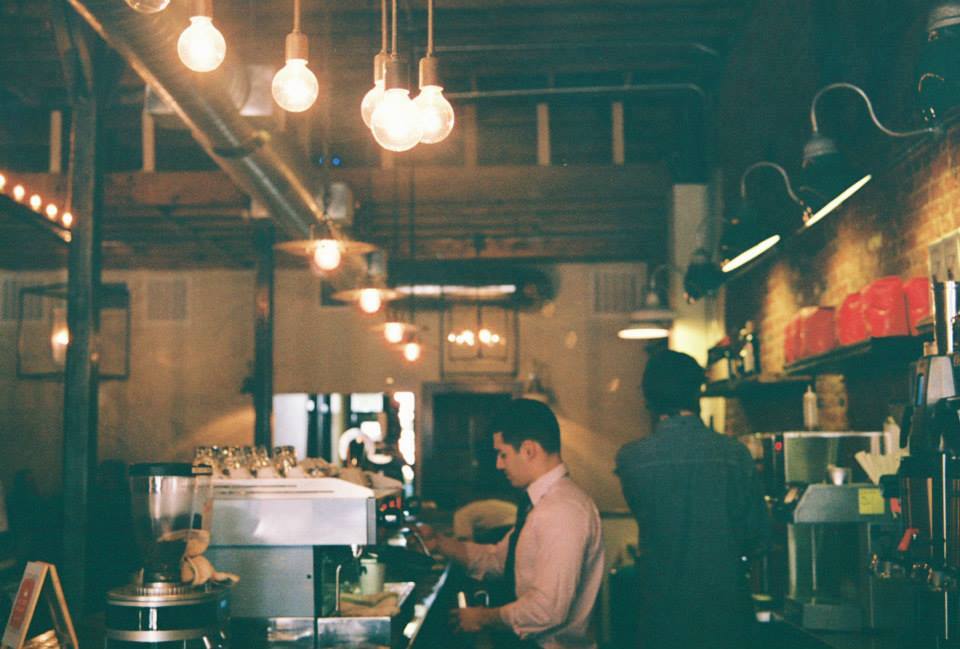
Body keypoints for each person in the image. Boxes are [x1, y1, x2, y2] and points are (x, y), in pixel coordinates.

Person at [419, 398, 604, 649]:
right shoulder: (542, 504)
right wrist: (440, 543)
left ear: (528, 450)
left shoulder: (562, 511)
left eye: (503, 454)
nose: (499, 464)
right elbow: (499, 559)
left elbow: (547, 609)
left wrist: (484, 618)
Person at [615, 350, 768, 649]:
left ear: (648, 398)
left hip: (661, 617)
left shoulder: (631, 459)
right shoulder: (735, 454)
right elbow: (758, 538)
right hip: (727, 617)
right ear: (697, 391)